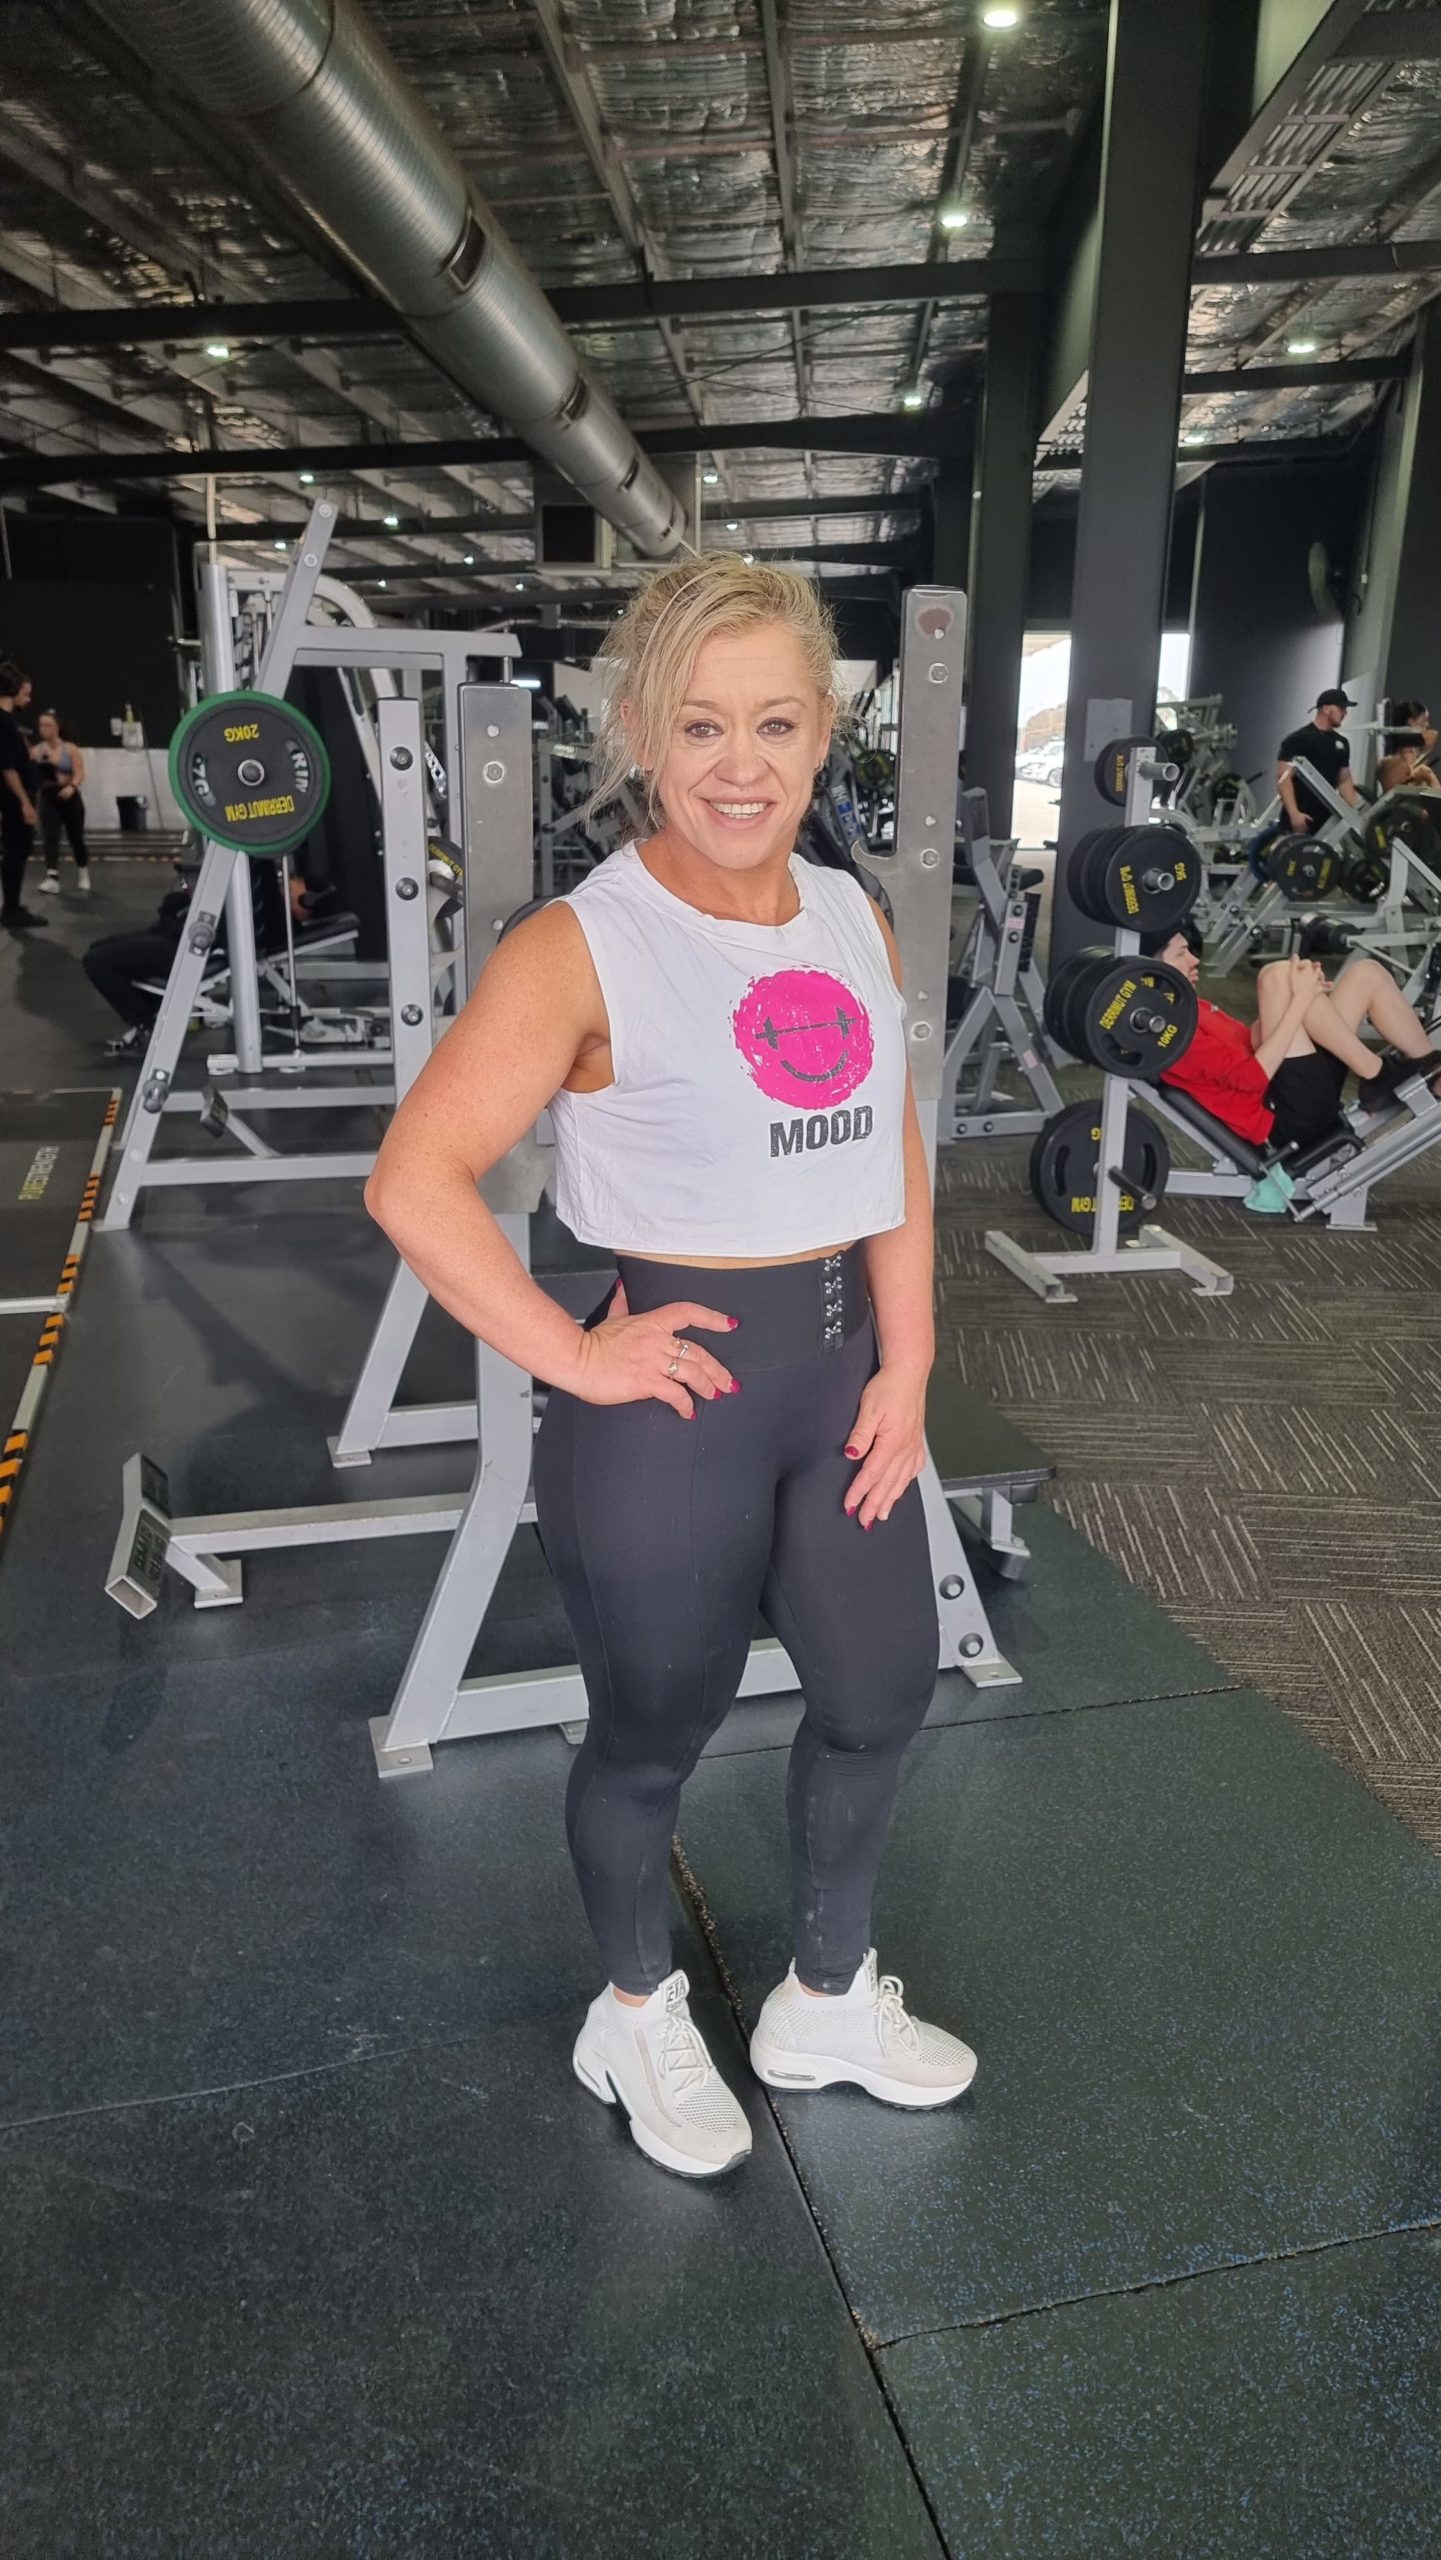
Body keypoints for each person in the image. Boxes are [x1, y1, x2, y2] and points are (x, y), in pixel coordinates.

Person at [365, 556, 976, 2181]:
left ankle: (825, 2000)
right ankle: (633, 2012)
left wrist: (909, 1357)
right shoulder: (582, 946)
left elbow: (892, 1153)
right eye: (699, 724)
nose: (738, 763)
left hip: (836, 1387)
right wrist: (571, 1345)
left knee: (877, 1691)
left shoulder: (850, 918)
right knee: (654, 1734)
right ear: (640, 730)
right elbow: (413, 1177)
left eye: (775, 722)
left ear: (824, 730)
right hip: (674, 1412)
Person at [1148, 919, 1441, 1154]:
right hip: (1285, 1117)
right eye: (1181, 954)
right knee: (1277, 977)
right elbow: (1251, 1078)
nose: (1194, 959)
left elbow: (1247, 1044)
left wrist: (1306, 1003)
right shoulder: (1173, 1033)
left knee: (1367, 973)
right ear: (1155, 967)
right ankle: (1376, 1073)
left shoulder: (1187, 1005)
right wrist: (1299, 1000)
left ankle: (1433, 1073)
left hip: (1292, 1088)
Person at [0, 659, 45, 931]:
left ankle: (13, 905)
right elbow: (7, 768)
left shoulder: (9, 723)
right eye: (24, 691)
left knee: (17, 852)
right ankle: (12, 909)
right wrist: (25, 803)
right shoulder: (4, 723)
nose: (27, 697)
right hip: (14, 799)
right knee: (15, 853)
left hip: (15, 797)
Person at [1276, 688, 1361, 834]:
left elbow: (1344, 781)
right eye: (1341, 708)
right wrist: (1294, 814)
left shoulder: (1342, 743)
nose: (1345, 713)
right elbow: (1283, 779)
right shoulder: (1298, 739)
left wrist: (1357, 814)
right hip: (1300, 817)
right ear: (1326, 709)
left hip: (1327, 819)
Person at [31, 710, 90, 894]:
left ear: (57, 727)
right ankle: (52, 877)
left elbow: (79, 772)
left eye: (48, 725)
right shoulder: (36, 751)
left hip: (69, 796)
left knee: (76, 837)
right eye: (41, 725)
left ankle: (83, 871)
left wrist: (71, 786)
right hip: (48, 797)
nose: (44, 729)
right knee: (50, 837)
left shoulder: (70, 749)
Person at [1376, 700, 1440, 798]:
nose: (1427, 725)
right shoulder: (1405, 752)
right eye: (1423, 721)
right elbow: (1412, 782)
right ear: (1411, 721)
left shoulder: (1414, 751)